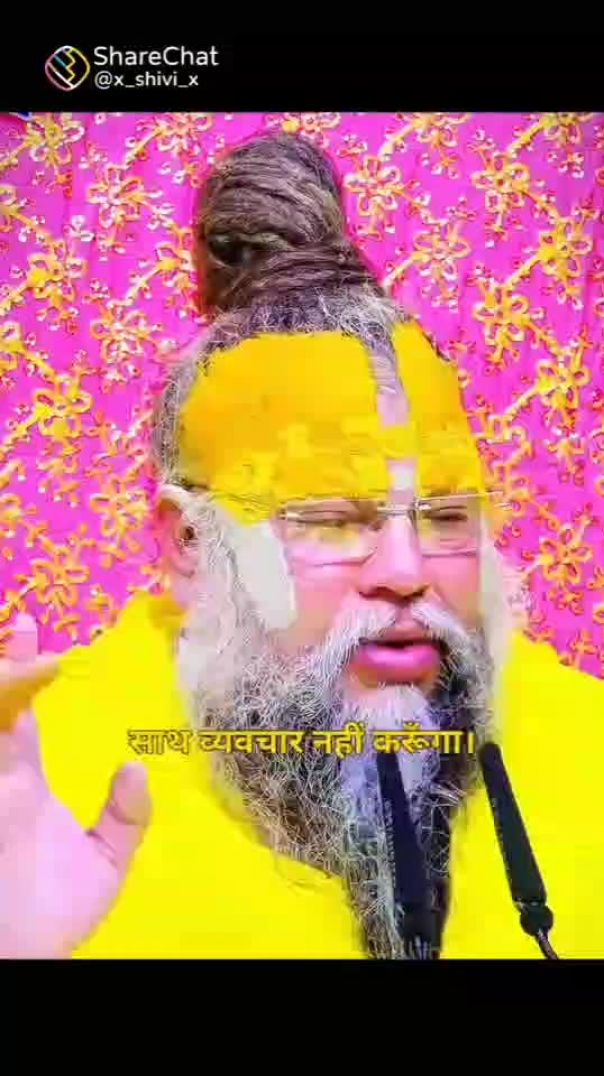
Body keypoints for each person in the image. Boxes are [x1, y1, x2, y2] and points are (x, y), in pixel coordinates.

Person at [1, 133, 602, 960]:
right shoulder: (48, 794)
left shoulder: (588, 745)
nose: (406, 571)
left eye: (444, 516)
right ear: (189, 544)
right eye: (330, 519)